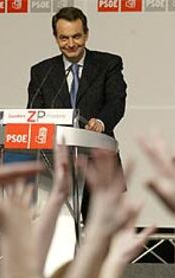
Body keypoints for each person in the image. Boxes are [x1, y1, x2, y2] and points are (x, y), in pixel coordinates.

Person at [27, 6, 127, 221]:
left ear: (87, 34)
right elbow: (33, 113)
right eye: (64, 38)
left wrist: (101, 122)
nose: (71, 44)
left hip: (98, 161)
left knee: (100, 237)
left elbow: (116, 102)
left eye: (76, 36)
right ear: (55, 38)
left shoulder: (108, 64)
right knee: (57, 237)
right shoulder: (41, 72)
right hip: (54, 165)